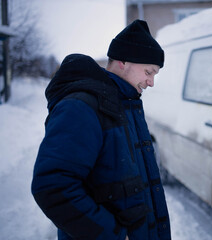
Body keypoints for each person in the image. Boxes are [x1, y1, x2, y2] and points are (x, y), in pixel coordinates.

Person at [31, 19, 171, 240]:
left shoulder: (126, 105)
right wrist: (111, 235)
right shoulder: (81, 107)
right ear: (123, 62)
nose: (151, 82)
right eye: (149, 71)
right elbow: (53, 186)